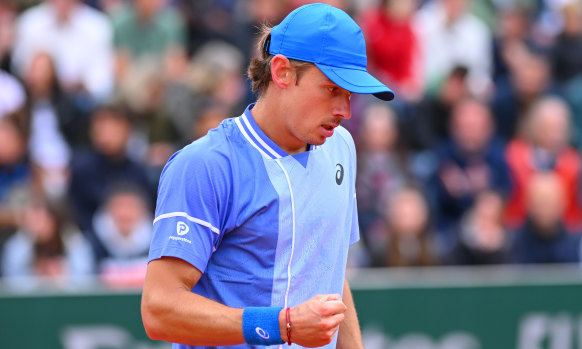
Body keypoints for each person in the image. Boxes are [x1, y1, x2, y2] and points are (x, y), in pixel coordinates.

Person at [141, 3, 393, 349]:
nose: (344, 111)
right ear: (282, 72)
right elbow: (159, 309)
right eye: (332, 89)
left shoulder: (342, 148)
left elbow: (330, 272)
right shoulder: (206, 165)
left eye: (349, 95)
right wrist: (282, 326)